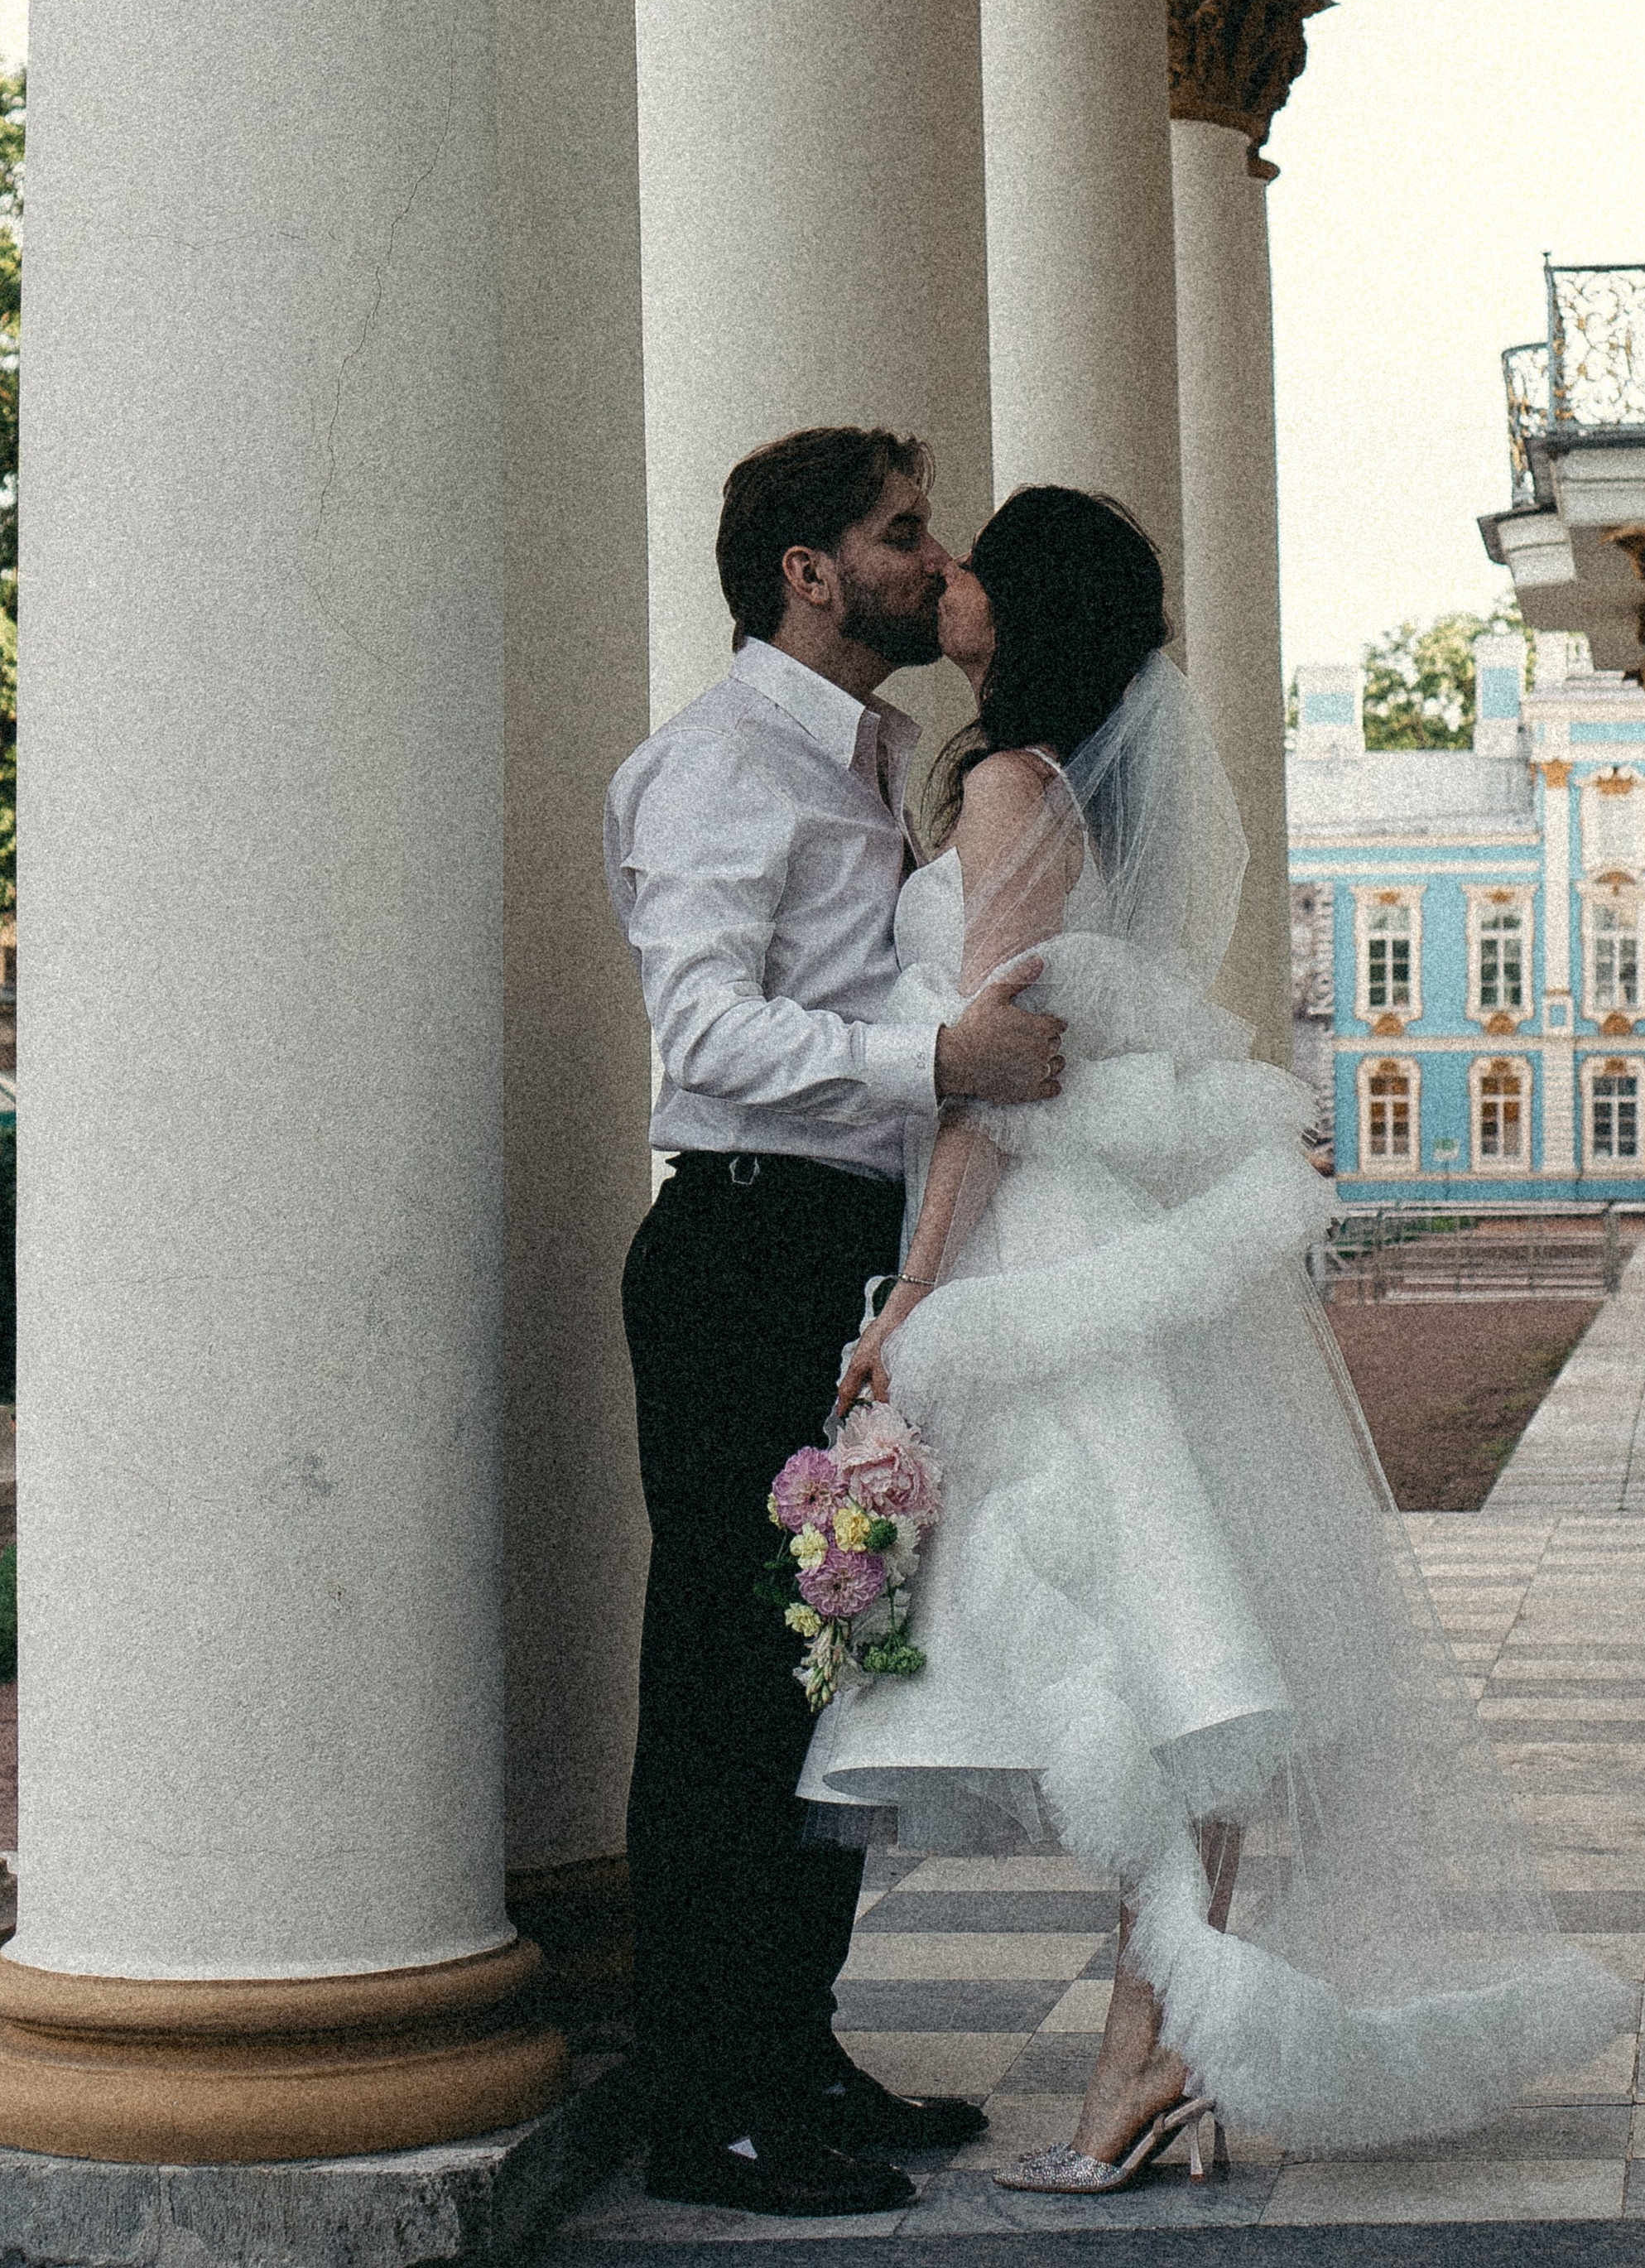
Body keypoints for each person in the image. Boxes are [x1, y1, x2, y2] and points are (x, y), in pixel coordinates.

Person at [802, 485, 1633, 2187]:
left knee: (1162, 1647)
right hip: (1106, 1236)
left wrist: (915, 1296)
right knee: (1182, 1649)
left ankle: (1151, 2043)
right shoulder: (1055, 784)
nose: (941, 579)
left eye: (967, 568)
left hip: (1044, 1242)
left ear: (1015, 612)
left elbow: (993, 1067)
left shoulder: (1010, 786)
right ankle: (1157, 2041)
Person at [604, 426, 1069, 2218]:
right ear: (805, 569)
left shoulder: (863, 756)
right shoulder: (718, 765)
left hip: (836, 1254)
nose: (925, 555)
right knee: (723, 1690)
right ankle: (702, 2105)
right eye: (897, 533)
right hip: (738, 1252)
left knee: (821, 1670)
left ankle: (787, 2048)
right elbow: (704, 1036)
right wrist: (931, 1059)